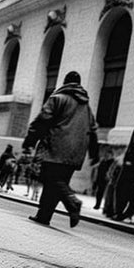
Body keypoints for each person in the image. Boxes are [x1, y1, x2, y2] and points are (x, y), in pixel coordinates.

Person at [22, 70, 99, 228]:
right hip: (76, 152)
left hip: (56, 148)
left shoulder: (57, 99)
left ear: (64, 82)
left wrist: (30, 141)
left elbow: (42, 121)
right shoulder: (86, 106)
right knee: (59, 182)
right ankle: (44, 216)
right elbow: (93, 130)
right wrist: (94, 153)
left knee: (50, 179)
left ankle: (72, 202)